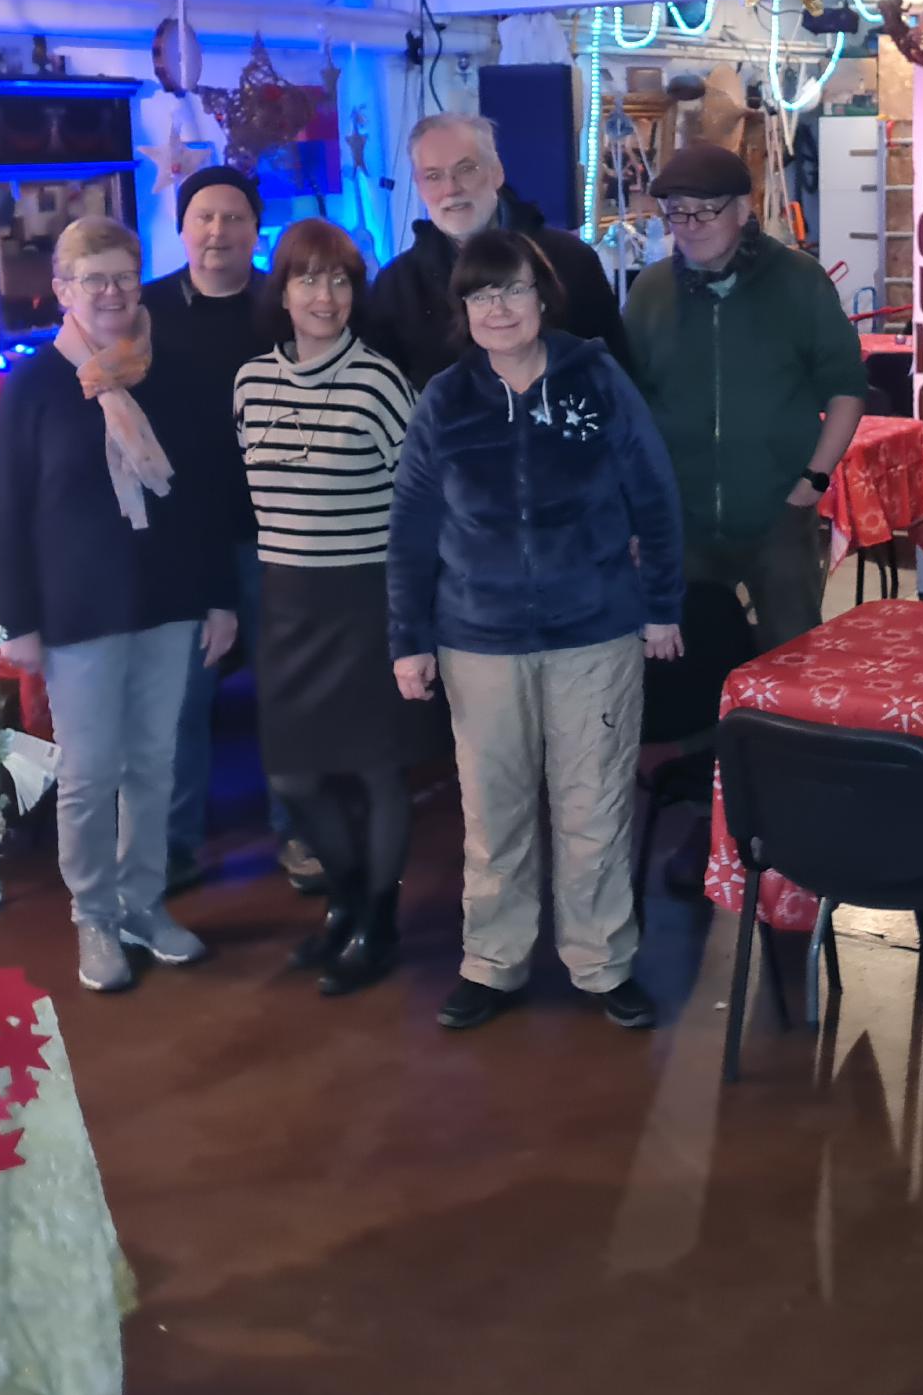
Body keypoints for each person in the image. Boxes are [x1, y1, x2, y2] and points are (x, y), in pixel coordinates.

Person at [388, 230, 683, 1034]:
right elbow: (412, 525)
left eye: (513, 289)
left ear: (543, 296)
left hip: (595, 629)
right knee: (494, 813)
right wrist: (408, 639)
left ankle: (602, 961)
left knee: (595, 805)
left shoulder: (596, 377)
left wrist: (662, 606)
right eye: (481, 295)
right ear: (462, 309)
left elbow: (654, 493)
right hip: (477, 637)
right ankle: (493, 961)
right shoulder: (446, 398)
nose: (498, 308)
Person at [0, 216, 238, 993]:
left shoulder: (175, 373)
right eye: (92, 279)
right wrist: (18, 622)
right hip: (76, 613)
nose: (111, 293)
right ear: (62, 290)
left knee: (154, 766)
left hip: (170, 600)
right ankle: (93, 916)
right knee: (92, 774)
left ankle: (142, 905)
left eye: (124, 276)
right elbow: (6, 510)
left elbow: (208, 496)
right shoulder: (34, 385)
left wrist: (220, 599)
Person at [234, 218, 433, 996]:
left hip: (366, 598)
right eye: (309, 279)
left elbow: (420, 503)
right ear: (282, 291)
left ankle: (376, 922)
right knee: (293, 775)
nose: (326, 296)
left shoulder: (379, 383)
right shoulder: (250, 381)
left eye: (341, 280)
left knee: (377, 771)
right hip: (287, 603)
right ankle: (345, 899)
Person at [141, 165, 312, 894]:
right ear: (182, 229)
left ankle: (300, 829)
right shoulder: (145, 309)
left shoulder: (284, 305)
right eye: (204, 217)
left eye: (235, 217)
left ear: (255, 229)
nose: (219, 231)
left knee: (288, 690)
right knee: (182, 700)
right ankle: (174, 842)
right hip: (182, 540)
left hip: (277, 531)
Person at [625, 141, 866, 653]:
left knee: (791, 656)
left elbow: (846, 388)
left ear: (742, 209)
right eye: (677, 213)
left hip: (779, 513)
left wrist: (812, 481)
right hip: (681, 520)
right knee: (687, 660)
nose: (690, 225)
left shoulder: (798, 280)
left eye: (705, 211)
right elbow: (629, 410)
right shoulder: (650, 291)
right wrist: (636, 510)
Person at [365, 112, 630, 389]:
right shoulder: (396, 286)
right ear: (418, 187)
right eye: (433, 176)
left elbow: (617, 381)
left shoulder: (571, 262)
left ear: (497, 172)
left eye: (466, 169)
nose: (451, 189)